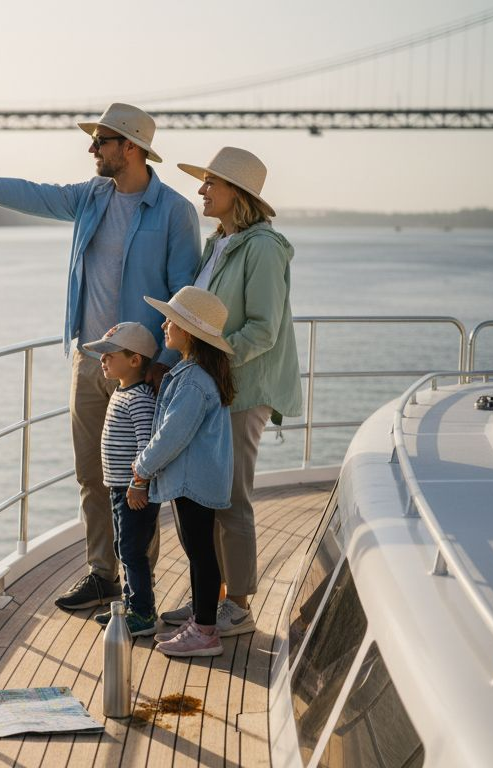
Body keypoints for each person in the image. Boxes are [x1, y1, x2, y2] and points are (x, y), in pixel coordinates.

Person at [0, 103, 200, 610]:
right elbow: (30, 194)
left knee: (141, 478)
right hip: (89, 362)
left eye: (101, 141)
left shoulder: (175, 212)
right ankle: (101, 574)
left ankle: (140, 588)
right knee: (92, 474)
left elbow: (184, 295)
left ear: (129, 147)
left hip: (141, 371)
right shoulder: (89, 198)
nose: (91, 149)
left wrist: (164, 366)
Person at [157, 148, 302, 636]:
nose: (201, 190)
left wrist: (206, 362)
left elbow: (263, 329)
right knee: (205, 494)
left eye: (210, 183)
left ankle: (236, 605)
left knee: (230, 498)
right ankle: (209, 598)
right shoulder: (220, 241)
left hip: (242, 389)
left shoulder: (262, 248)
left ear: (236, 194)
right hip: (215, 387)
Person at [132, 286, 236, 658]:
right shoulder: (195, 373)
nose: (163, 325)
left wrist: (142, 467)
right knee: (198, 551)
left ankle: (206, 632)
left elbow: (172, 434)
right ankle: (200, 618)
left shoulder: (192, 381)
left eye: (170, 320)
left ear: (188, 331)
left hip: (192, 481)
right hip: (194, 479)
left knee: (200, 552)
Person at [83, 322, 161, 636]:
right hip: (119, 489)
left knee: (132, 551)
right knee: (123, 547)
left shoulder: (140, 398)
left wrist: (139, 483)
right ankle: (131, 606)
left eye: (109, 355)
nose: (102, 360)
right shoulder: (122, 391)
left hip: (133, 491)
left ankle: (143, 613)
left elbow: (147, 445)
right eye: (101, 355)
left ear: (134, 360)